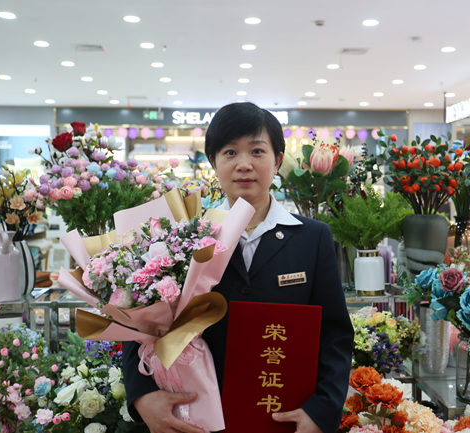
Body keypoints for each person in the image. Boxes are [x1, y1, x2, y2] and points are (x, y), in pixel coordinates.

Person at [122, 102, 353, 433]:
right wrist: (142, 397)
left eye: (257, 151)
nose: (244, 164)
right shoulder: (184, 238)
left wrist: (322, 411)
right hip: (199, 416)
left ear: (277, 160)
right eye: (230, 152)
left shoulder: (312, 238)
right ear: (213, 162)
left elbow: (335, 333)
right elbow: (139, 324)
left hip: (284, 415)